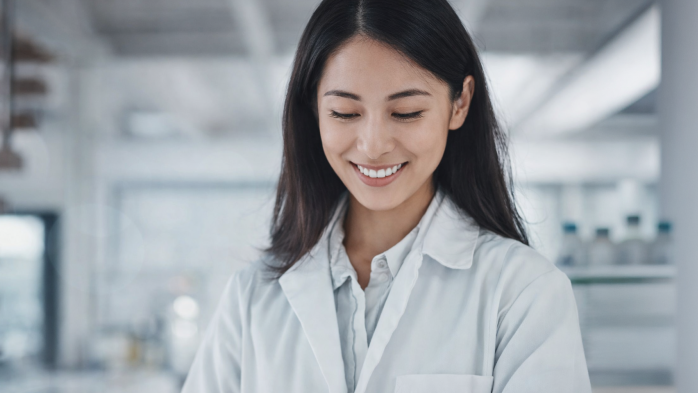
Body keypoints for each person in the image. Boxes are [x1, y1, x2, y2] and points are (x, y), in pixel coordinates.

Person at [181, 0, 590, 392]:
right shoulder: (251, 297)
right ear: (314, 109)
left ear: (460, 103)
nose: (374, 145)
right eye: (345, 113)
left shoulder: (523, 292)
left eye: (406, 112)